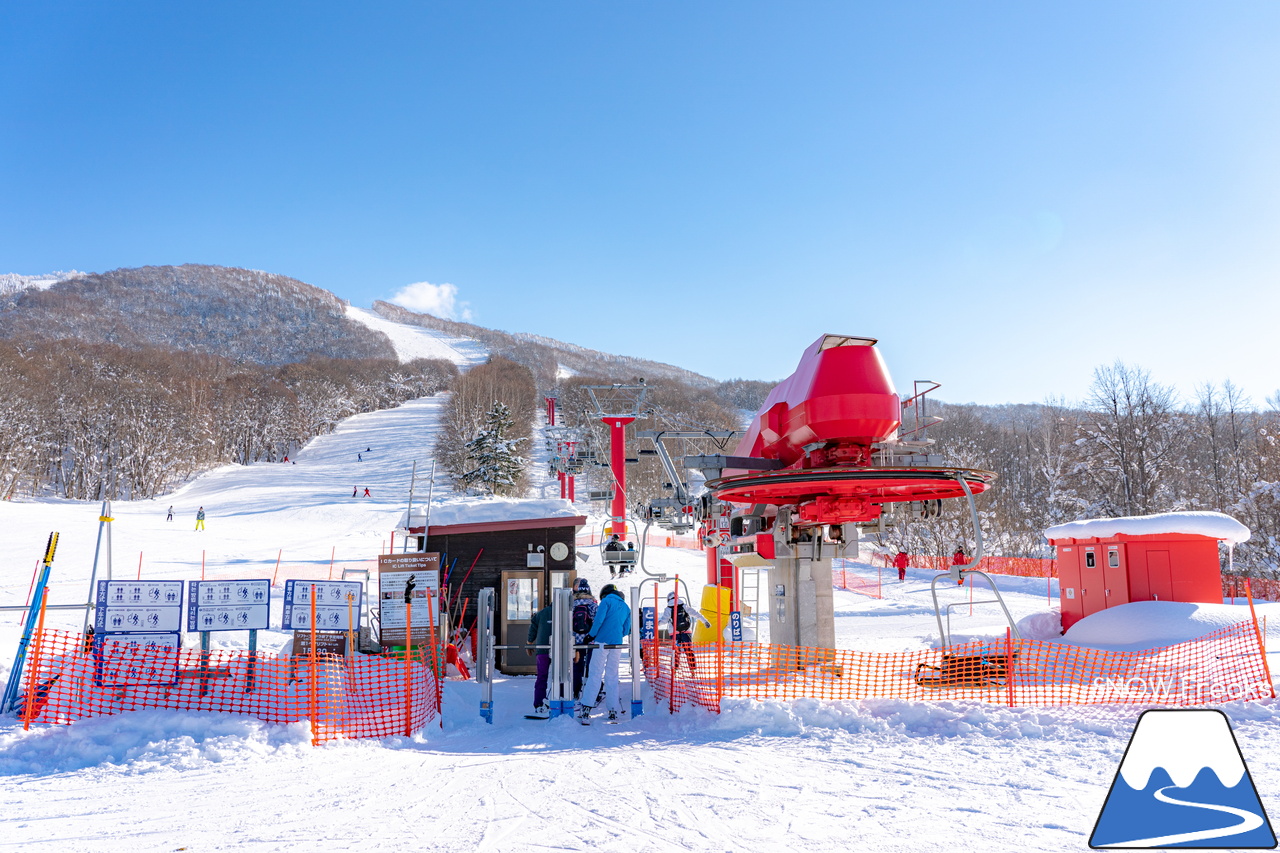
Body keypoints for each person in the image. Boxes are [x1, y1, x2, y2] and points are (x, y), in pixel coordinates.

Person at [578, 583, 631, 723]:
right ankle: (613, 710)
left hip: (601, 642)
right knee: (612, 675)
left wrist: (591, 635)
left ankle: (586, 708)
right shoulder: (626, 607)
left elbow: (599, 620)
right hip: (617, 643)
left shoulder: (606, 601)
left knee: (595, 674)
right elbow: (626, 629)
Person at [658, 591, 711, 672]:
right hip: (686, 631)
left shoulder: (668, 609)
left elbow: (664, 621)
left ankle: (674, 669)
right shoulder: (684, 606)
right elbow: (696, 614)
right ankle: (693, 669)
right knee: (689, 650)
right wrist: (705, 621)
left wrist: (655, 624)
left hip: (674, 632)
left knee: (676, 651)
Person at [570, 578, 598, 701]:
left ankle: (576, 691)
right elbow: (598, 621)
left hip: (576, 642)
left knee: (577, 666)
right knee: (591, 666)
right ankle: (590, 693)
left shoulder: (572, 604)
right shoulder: (592, 604)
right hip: (590, 641)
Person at [526, 600, 553, 718]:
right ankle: (557, 702)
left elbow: (533, 627)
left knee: (542, 677)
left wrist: (529, 642)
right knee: (560, 677)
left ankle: (539, 704)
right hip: (560, 651)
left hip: (542, 650)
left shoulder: (542, 613)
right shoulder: (566, 612)